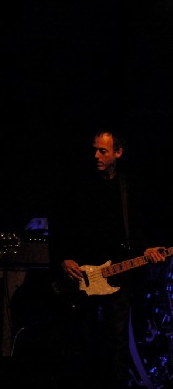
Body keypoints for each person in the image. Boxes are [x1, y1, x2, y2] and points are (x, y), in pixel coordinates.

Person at [48, 128, 167, 388]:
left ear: (118, 153)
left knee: (116, 343)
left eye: (103, 150)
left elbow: (134, 229)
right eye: (95, 149)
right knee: (82, 341)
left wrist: (145, 249)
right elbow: (61, 226)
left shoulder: (128, 186)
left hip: (117, 275)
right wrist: (64, 259)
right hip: (82, 276)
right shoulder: (78, 185)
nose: (96, 155)